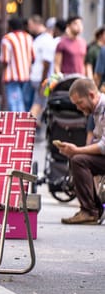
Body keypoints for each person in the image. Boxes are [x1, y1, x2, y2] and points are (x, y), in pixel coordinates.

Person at [55, 78, 105, 224]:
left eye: (79, 103)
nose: (78, 108)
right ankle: (92, 209)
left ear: (91, 95)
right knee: (78, 158)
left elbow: (103, 146)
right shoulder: (96, 111)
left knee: (79, 160)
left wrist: (77, 151)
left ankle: (89, 211)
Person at [0, 16, 35, 112]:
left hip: (12, 76)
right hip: (27, 75)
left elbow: (5, 60)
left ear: (10, 27)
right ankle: (26, 123)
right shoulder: (29, 37)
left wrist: (2, 72)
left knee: (15, 104)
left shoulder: (7, 39)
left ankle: (18, 125)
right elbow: (33, 58)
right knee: (24, 102)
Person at [28, 15, 56, 119]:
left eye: (30, 25)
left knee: (41, 102)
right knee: (40, 103)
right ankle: (31, 124)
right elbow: (46, 63)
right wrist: (43, 81)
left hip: (39, 77)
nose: (29, 28)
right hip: (45, 79)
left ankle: (35, 124)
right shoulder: (47, 40)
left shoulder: (40, 39)